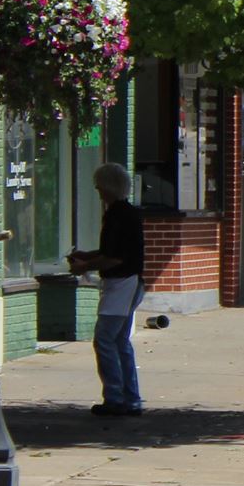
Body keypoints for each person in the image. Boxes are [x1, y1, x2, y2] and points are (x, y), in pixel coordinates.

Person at [67, 163, 145, 417]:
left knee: (105, 339)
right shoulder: (128, 213)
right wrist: (89, 256)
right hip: (132, 281)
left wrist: (85, 266)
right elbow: (113, 252)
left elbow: (115, 258)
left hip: (121, 283)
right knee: (120, 340)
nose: (97, 189)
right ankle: (130, 397)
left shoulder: (116, 216)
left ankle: (114, 396)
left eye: (100, 185)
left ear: (109, 186)